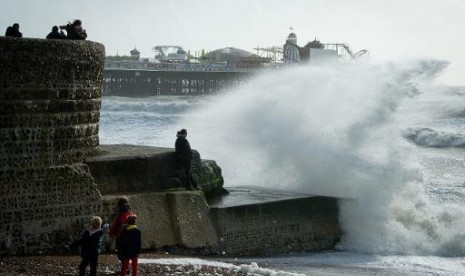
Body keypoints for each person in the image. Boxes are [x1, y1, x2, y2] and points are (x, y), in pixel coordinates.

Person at [109, 197, 136, 270]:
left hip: (121, 238)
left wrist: (112, 234)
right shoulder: (131, 213)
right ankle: (127, 268)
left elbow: (115, 225)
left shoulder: (120, 214)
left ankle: (125, 268)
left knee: (121, 254)